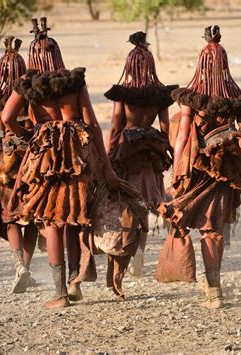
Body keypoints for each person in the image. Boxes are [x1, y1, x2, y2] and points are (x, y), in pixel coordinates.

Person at [1, 17, 119, 308]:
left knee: (52, 221)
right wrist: (105, 165)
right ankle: (75, 280)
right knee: (74, 216)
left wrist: (28, 133)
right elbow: (91, 123)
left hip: (46, 158)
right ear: (58, 54)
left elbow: (5, 119)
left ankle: (60, 294)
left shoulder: (26, 85)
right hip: (76, 154)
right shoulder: (74, 83)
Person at [160, 25, 241, 309]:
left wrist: (176, 174)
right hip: (226, 169)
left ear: (201, 65)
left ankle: (214, 291)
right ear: (225, 65)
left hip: (196, 169)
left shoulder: (191, 99)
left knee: (204, 227)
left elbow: (182, 138)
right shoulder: (236, 99)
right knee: (213, 229)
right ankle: (214, 290)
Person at [105, 31, 177, 276]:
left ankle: (126, 250)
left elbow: (115, 125)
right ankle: (140, 252)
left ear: (129, 65)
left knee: (126, 202)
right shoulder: (160, 94)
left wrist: (108, 152)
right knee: (146, 202)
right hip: (149, 148)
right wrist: (165, 148)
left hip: (126, 149)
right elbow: (165, 126)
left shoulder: (123, 93)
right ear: (150, 65)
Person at [0, 36, 39, 294]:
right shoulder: (34, 94)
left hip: (5, 166)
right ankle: (27, 266)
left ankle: (19, 266)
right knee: (32, 217)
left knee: (10, 217)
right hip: (33, 162)